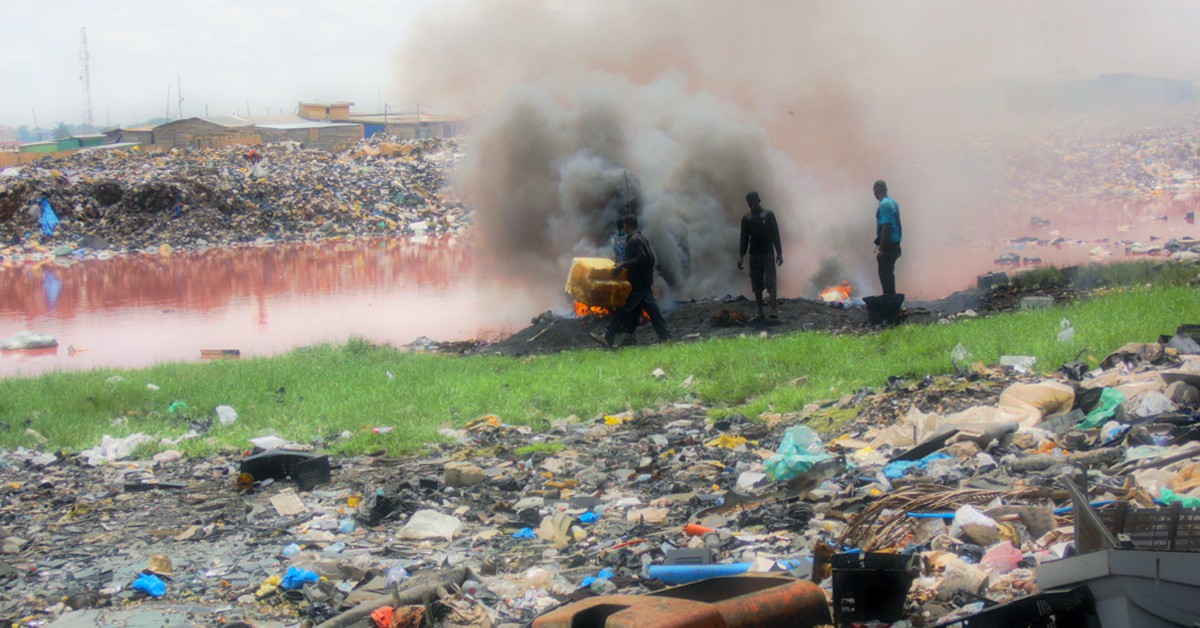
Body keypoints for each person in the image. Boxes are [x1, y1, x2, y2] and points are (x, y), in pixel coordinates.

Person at [592, 215, 671, 348]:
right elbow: (651, 259)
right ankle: (635, 338)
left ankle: (608, 335)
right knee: (647, 311)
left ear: (626, 226)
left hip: (637, 283)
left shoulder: (633, 240)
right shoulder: (642, 238)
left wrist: (623, 265)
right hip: (644, 281)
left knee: (624, 309)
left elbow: (642, 258)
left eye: (624, 225)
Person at [737, 191, 783, 320]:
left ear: (759, 200)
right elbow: (744, 238)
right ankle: (760, 313)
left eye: (753, 201)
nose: (752, 205)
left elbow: (775, 234)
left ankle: (773, 310)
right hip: (754, 254)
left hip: (768, 253)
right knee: (757, 285)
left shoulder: (768, 215)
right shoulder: (746, 218)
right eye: (749, 203)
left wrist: (779, 253)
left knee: (771, 282)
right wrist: (741, 255)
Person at [873, 180, 902, 295]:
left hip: (888, 244)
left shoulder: (884, 205)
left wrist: (881, 248)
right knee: (889, 273)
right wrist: (898, 243)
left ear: (876, 190)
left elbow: (886, 226)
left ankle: (890, 301)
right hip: (894, 243)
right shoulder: (893, 203)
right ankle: (891, 300)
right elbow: (898, 224)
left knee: (885, 274)